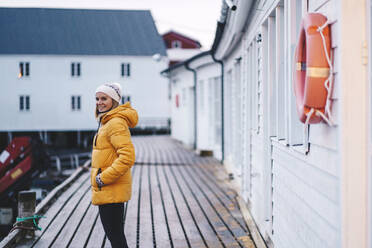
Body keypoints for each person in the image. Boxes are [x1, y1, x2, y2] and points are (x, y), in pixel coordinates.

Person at [91, 82, 138, 248]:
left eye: (104, 98)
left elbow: (127, 157)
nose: (99, 102)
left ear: (114, 101)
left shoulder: (115, 123)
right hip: (108, 190)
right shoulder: (107, 122)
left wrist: (102, 178)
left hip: (110, 188)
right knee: (116, 237)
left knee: (116, 237)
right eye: (97, 98)